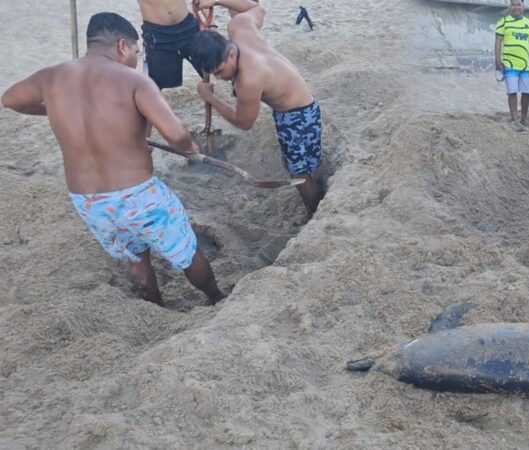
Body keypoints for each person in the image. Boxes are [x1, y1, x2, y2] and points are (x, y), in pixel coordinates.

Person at [1, 12, 227, 306]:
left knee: (135, 256)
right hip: (138, 195)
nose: (136, 57)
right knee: (185, 251)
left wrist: (55, 111)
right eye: (136, 51)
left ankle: (154, 308)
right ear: (122, 46)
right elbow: (175, 133)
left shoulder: (51, 76)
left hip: (88, 201)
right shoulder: (134, 80)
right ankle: (217, 298)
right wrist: (189, 149)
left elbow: (10, 99)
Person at [189, 0, 323, 214]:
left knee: (299, 175)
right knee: (299, 165)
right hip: (300, 103)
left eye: (221, 71)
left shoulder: (249, 79)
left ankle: (315, 213)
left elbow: (244, 122)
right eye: (213, 73)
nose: (219, 77)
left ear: (230, 54)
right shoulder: (240, 27)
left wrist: (211, 98)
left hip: (297, 117)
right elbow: (256, 7)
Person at [138, 0, 209, 89]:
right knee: (153, 86)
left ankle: (209, 101)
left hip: (188, 25)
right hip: (157, 35)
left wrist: (211, 23)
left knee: (210, 70)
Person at [494, 0, 529, 124]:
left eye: (518, 4)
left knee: (526, 92)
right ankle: (514, 118)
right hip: (509, 63)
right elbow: (498, 41)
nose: (516, 7)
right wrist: (497, 59)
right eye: (513, 4)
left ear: (523, 6)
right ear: (510, 6)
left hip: (525, 64)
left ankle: (523, 118)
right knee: (512, 92)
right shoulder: (503, 22)